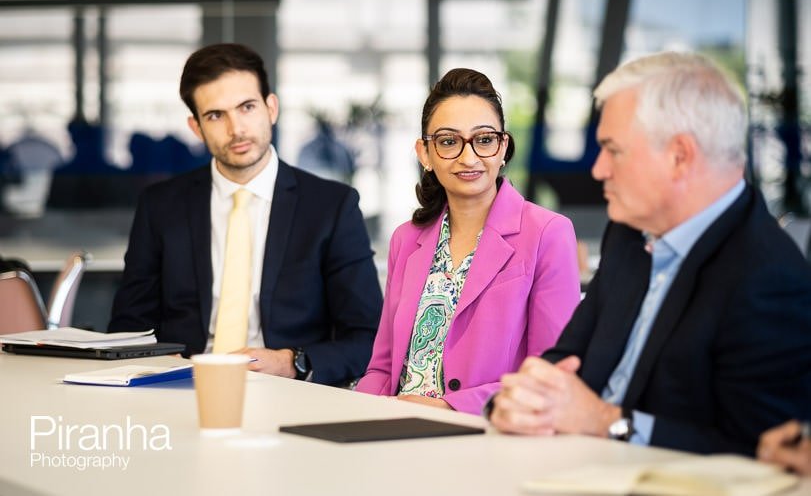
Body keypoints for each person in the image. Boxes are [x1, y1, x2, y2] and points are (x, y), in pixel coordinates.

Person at [489, 51, 811, 455]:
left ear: (679, 156)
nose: (598, 169)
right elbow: (567, 358)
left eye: (613, 149)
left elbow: (763, 456)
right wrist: (522, 400)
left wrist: (609, 423)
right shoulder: (627, 234)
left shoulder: (769, 277)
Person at [109, 43, 383, 386]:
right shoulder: (161, 206)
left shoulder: (330, 206)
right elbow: (127, 327)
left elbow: (368, 337)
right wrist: (152, 360)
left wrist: (292, 361)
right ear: (196, 127)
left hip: (289, 391)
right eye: (215, 115)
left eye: (247, 107)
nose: (235, 128)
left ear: (271, 108)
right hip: (178, 387)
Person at [355, 68, 581, 415]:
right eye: (448, 141)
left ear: (503, 147)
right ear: (425, 153)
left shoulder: (547, 232)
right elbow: (382, 368)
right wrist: (354, 415)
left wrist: (450, 408)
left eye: (484, 139)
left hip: (485, 433)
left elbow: (551, 374)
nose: (468, 157)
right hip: (393, 427)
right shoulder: (407, 238)